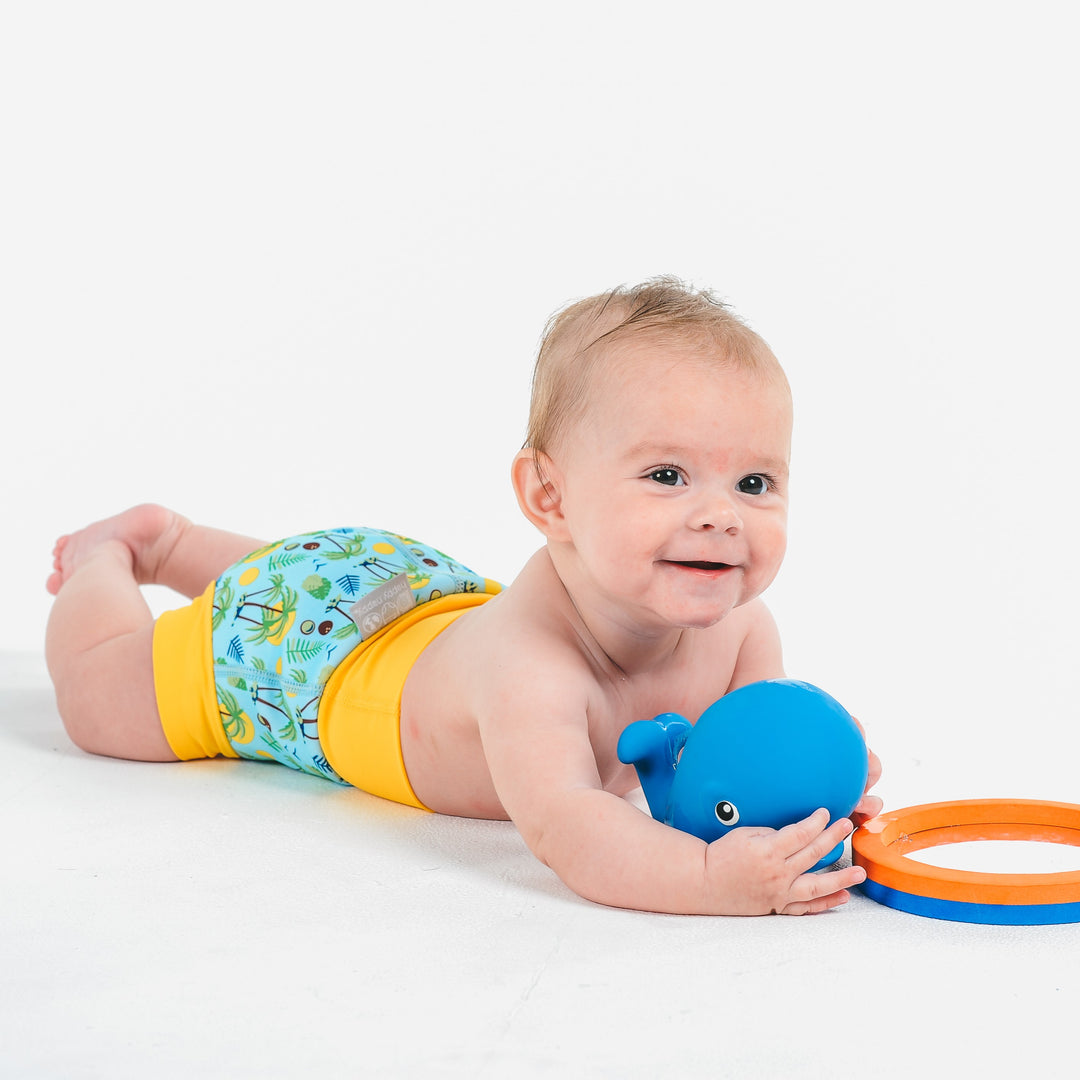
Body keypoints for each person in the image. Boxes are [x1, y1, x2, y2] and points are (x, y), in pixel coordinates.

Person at [45, 277, 882, 916]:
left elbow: (730, 775)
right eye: (667, 475)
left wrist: (814, 805)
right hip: (299, 667)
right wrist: (712, 880)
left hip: (403, 590)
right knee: (100, 700)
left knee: (289, 575)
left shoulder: (742, 632)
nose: (721, 516)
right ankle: (124, 554)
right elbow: (570, 828)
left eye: (755, 481)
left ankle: (186, 545)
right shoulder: (529, 670)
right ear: (549, 499)